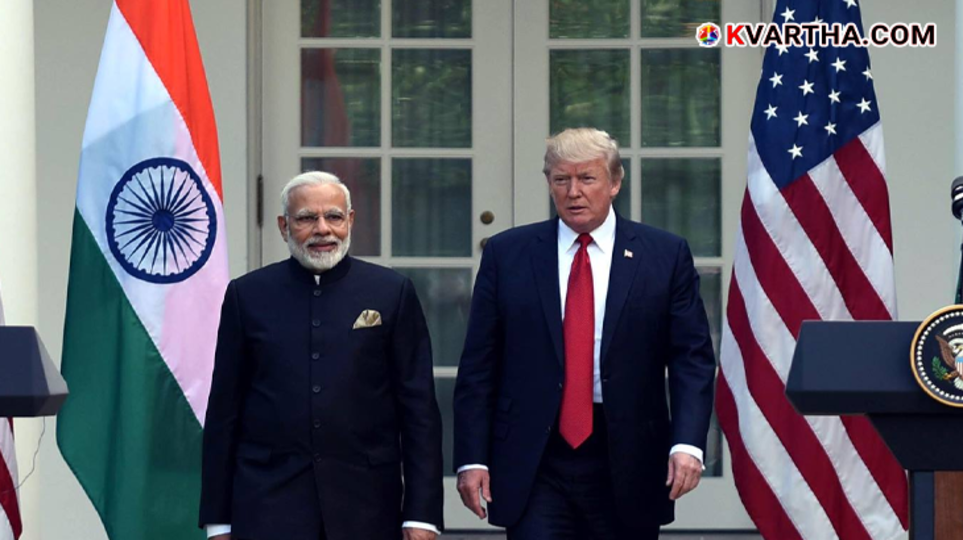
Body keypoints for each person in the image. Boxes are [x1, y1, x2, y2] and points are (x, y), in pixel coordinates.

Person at [453, 128, 716, 539]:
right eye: (562, 179)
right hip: (534, 455)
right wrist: (472, 457)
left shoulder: (664, 255)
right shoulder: (508, 254)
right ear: (549, 184)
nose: (573, 192)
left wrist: (687, 444)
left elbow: (691, 360)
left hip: (628, 453)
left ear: (615, 182)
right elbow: (479, 364)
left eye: (587, 178)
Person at [199, 171, 444, 540]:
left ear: (351, 220)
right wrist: (218, 520)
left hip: (367, 504)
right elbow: (224, 412)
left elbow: (419, 410)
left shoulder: (391, 292)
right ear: (283, 226)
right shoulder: (247, 295)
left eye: (334, 216)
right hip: (267, 502)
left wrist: (421, 515)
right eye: (306, 218)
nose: (323, 229)